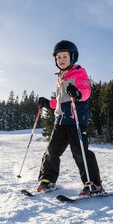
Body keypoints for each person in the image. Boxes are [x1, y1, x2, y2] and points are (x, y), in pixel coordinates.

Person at [36, 40, 103, 196]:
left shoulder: (79, 73)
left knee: (80, 152)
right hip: (60, 121)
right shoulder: (60, 77)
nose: (61, 60)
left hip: (76, 120)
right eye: (58, 57)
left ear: (73, 57)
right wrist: (48, 103)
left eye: (65, 56)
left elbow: (86, 91)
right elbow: (60, 101)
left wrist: (79, 94)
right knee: (52, 151)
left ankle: (94, 183)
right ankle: (47, 179)